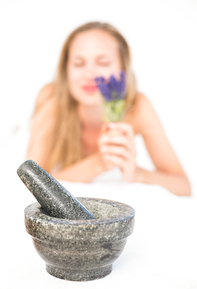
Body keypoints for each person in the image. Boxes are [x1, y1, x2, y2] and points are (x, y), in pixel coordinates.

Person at [26, 21, 191, 196]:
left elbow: (183, 187)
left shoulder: (138, 107)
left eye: (103, 62)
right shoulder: (53, 99)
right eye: (78, 63)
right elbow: (32, 185)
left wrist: (136, 173)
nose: (89, 75)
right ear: (66, 69)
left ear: (123, 68)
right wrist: (99, 163)